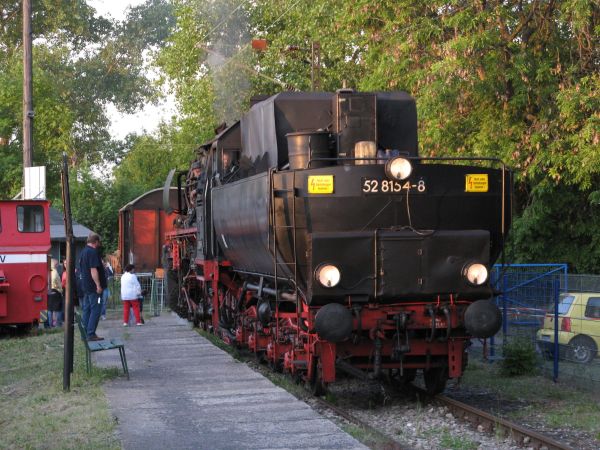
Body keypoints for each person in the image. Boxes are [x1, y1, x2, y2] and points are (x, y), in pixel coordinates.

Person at [79, 233, 106, 341]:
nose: (99, 244)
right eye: (99, 242)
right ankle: (91, 334)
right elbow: (93, 270)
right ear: (96, 242)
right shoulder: (93, 252)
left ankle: (84, 334)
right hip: (95, 289)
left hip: (86, 287)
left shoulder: (83, 252)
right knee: (96, 309)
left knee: (87, 309)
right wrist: (98, 285)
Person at [48, 258, 63, 327]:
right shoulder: (55, 272)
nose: (57, 265)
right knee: (58, 308)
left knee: (49, 309)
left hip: (48, 291)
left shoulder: (47, 271)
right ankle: (58, 324)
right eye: (56, 264)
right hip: (55, 291)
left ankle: (49, 324)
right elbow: (58, 283)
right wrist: (60, 290)